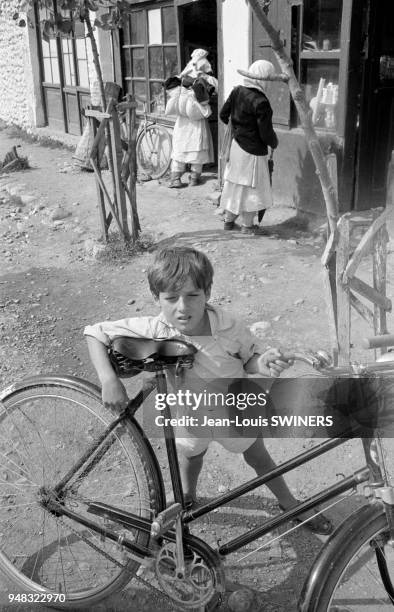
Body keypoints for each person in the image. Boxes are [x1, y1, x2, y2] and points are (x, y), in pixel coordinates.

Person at [84, 246, 332, 534]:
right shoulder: (155, 328)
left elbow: (250, 360)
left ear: (208, 292)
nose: (182, 307)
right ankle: (187, 498)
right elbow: (95, 332)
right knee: (192, 457)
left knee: (258, 457)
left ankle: (291, 504)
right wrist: (108, 380)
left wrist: (263, 364)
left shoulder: (229, 327)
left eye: (192, 296)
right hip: (189, 417)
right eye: (171, 298)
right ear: (156, 298)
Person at [219, 60, 278, 235]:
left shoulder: (237, 91)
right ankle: (247, 226)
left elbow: (223, 115)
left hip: (236, 147)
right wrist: (274, 142)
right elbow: (265, 133)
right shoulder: (261, 102)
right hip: (253, 152)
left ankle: (228, 222)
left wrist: (238, 129)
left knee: (235, 186)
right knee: (252, 189)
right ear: (265, 79)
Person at [165, 49, 218, 188]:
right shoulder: (207, 79)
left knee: (180, 148)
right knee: (197, 149)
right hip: (198, 120)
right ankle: (194, 179)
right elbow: (218, 89)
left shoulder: (180, 79)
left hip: (182, 121)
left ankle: (175, 178)